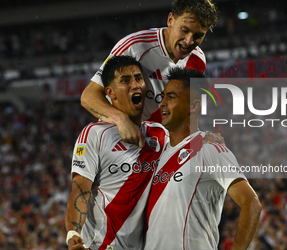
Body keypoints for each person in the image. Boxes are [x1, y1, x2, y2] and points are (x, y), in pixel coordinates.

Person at [143, 67, 262, 250]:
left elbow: (251, 202)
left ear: (193, 105)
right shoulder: (156, 154)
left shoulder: (210, 149)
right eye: (163, 97)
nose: (163, 103)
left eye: (172, 97)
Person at [64, 56, 169, 250]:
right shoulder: (94, 134)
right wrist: (73, 234)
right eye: (126, 80)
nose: (135, 85)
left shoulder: (161, 135)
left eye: (138, 78)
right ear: (109, 93)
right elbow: (80, 191)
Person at [80, 0, 218, 148]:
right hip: (119, 141)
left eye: (198, 35)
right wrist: (121, 120)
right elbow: (89, 96)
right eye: (184, 30)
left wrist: (199, 137)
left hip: (158, 147)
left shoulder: (197, 61)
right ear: (170, 20)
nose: (189, 41)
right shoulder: (134, 47)